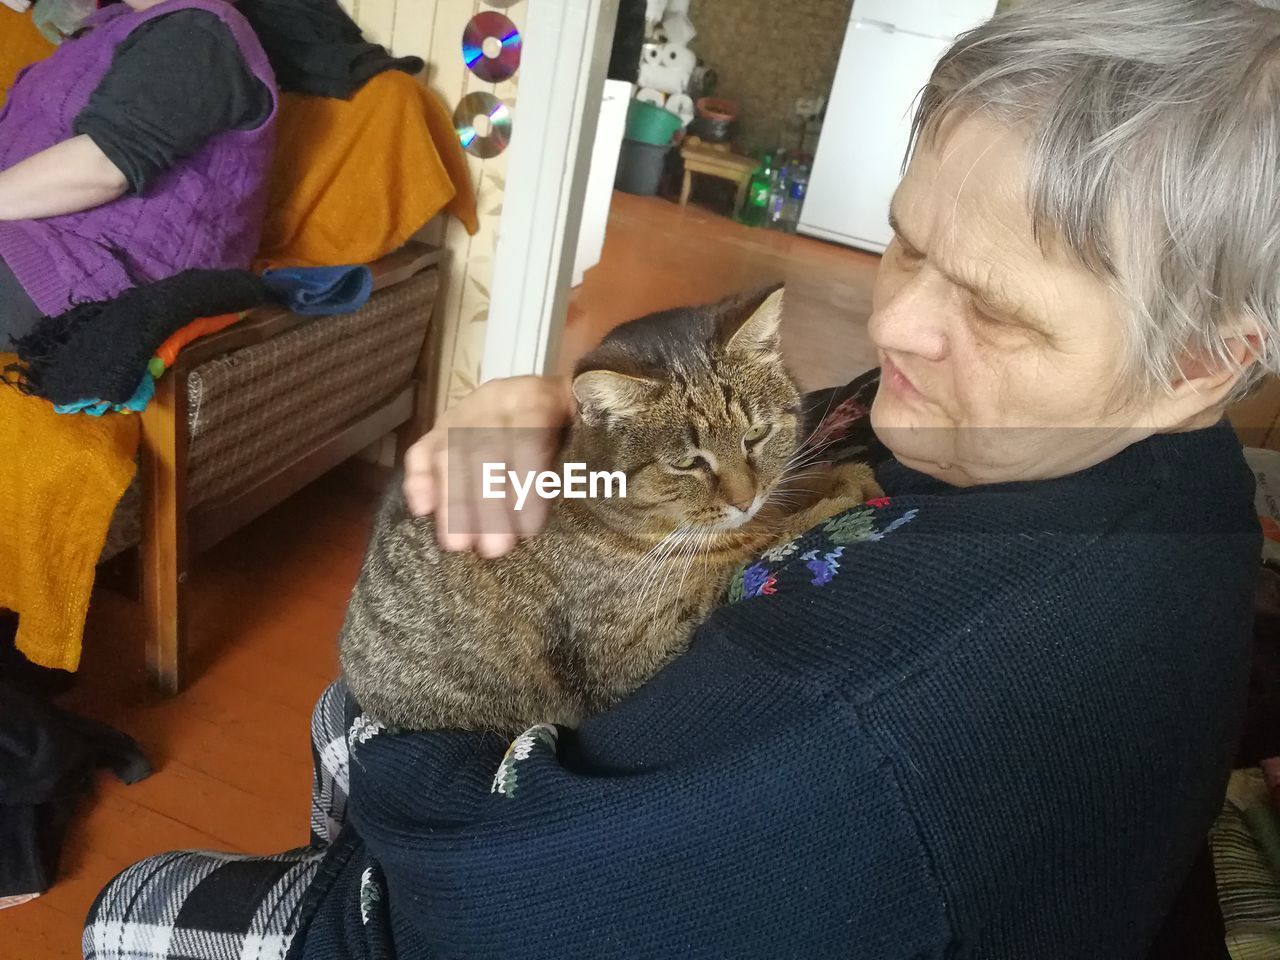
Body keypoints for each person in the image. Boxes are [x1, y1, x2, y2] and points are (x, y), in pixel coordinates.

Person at [82, 1, 1277, 958]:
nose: (895, 320)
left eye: (996, 310)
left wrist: (376, 763)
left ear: (1200, 360)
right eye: (904, 242)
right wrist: (564, 428)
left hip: (458, 851)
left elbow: (484, 898)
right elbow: (745, 448)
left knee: (123, 901)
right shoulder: (1148, 457)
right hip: (507, 719)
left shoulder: (855, 739)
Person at [0, 0, 276, 350]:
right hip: (33, 234)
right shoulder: (112, 26)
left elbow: (103, 167)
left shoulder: (200, 30)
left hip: (90, 267)